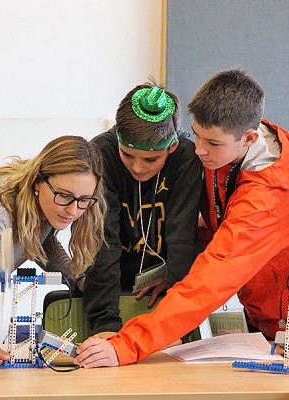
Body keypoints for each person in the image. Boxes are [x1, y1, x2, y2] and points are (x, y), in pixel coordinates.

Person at [74, 68, 289, 368]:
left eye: (211, 143)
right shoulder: (223, 152)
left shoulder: (266, 201)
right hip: (266, 313)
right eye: (196, 136)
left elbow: (208, 283)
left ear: (249, 138)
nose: (198, 150)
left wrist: (127, 345)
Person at [0, 135, 106, 367]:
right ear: (38, 182)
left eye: (84, 200)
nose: (73, 210)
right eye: (64, 195)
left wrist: (78, 278)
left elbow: (39, 240)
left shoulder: (36, 200)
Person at [83, 83, 203, 337]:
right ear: (117, 140)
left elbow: (182, 235)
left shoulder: (186, 157)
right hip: (106, 284)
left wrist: (174, 282)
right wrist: (105, 324)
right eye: (127, 155)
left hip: (162, 287)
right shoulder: (101, 152)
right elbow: (104, 240)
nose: (138, 168)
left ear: (171, 147)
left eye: (150, 159)